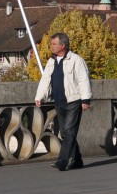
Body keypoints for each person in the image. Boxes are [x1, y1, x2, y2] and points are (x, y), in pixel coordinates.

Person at [34, 33, 92, 171]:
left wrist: (85, 99)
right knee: (65, 133)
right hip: (59, 101)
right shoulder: (51, 61)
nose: (51, 46)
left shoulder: (76, 60)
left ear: (63, 45)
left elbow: (84, 80)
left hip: (74, 100)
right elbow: (45, 80)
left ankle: (62, 160)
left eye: (54, 44)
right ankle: (77, 160)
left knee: (70, 131)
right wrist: (39, 96)